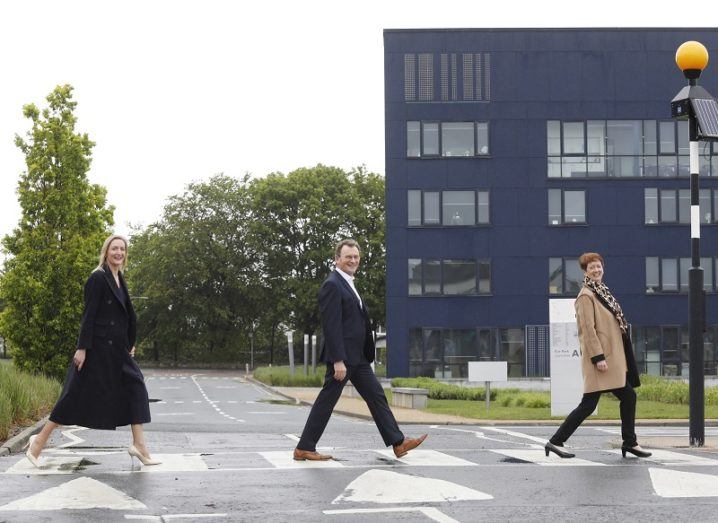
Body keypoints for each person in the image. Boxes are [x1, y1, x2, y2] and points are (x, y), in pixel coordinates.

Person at [25, 234, 160, 468]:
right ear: (106, 251)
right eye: (114, 248)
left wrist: (130, 342)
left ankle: (139, 445)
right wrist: (82, 348)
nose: (119, 252)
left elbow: (125, 315)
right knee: (73, 396)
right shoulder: (98, 278)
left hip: (118, 350)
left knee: (136, 387)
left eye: (122, 249)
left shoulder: (119, 277)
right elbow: (89, 315)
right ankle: (38, 442)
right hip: (97, 350)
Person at [293, 239, 427, 461]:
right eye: (348, 257)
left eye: (355, 257)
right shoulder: (332, 284)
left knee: (376, 397)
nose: (353, 260)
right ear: (337, 259)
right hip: (344, 359)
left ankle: (398, 443)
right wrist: (337, 360)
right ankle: (304, 447)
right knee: (326, 402)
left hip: (358, 358)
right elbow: (332, 325)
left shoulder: (348, 283)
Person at [545, 252, 651, 459]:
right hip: (601, 360)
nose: (596, 270)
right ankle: (555, 441)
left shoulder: (601, 292)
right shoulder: (586, 296)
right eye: (591, 267)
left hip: (611, 358)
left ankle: (630, 442)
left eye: (598, 266)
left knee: (628, 395)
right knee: (588, 404)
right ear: (585, 271)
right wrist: (598, 358)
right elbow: (587, 329)